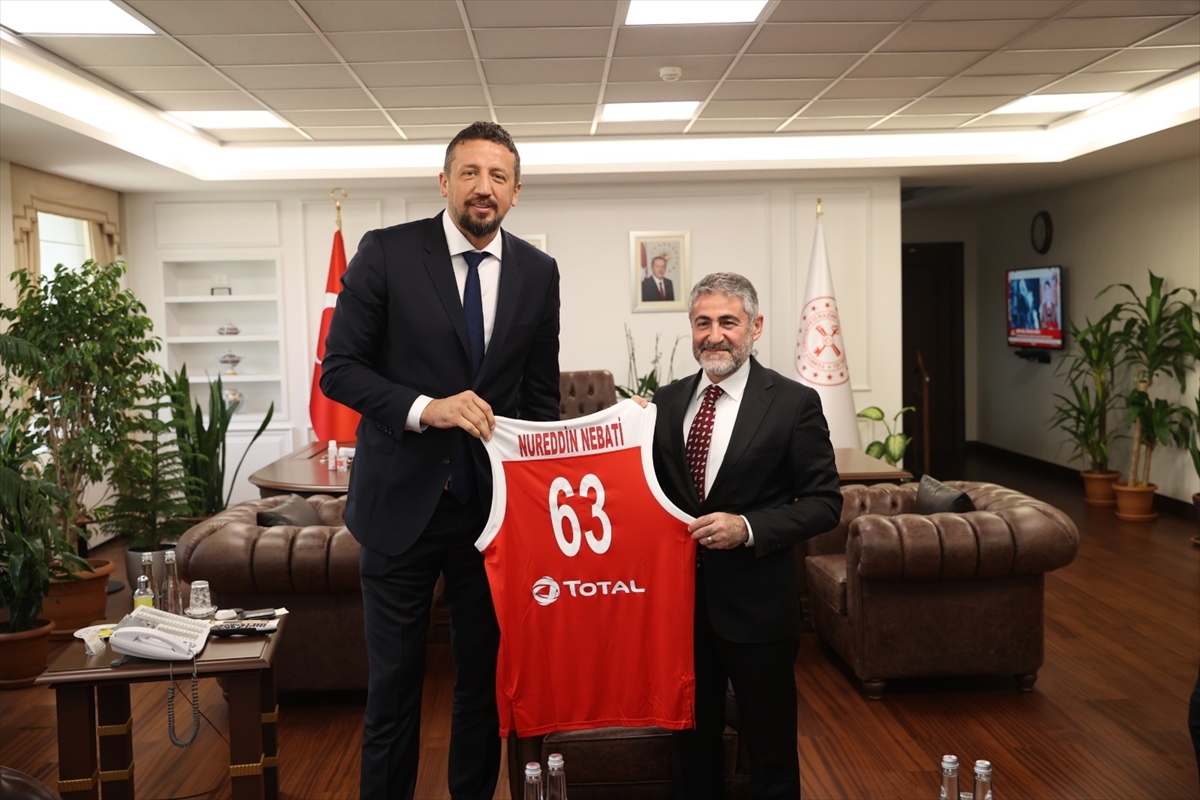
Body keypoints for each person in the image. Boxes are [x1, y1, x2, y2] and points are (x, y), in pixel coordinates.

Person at [320, 121, 561, 800]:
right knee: (394, 688)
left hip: (490, 515)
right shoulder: (387, 252)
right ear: (444, 182)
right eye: (470, 173)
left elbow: (540, 399)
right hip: (398, 507)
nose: (484, 188)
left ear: (516, 192)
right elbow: (339, 370)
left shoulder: (539, 273)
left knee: (482, 685)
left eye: (498, 177)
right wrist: (427, 407)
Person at [650, 272, 841, 799]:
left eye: (728, 322)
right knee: (692, 753)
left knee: (770, 754)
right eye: (703, 323)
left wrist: (749, 527)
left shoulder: (793, 403)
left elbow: (825, 503)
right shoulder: (666, 403)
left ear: (755, 327)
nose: (714, 335)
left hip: (759, 613)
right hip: (680, 613)